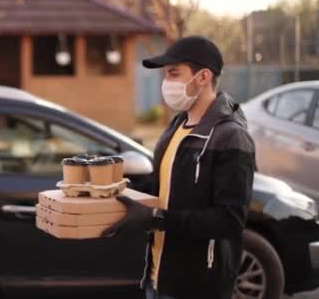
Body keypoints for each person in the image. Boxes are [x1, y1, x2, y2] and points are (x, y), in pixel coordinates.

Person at [102, 36, 256, 299]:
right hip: (157, 277)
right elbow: (166, 190)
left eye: (174, 73)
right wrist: (121, 194)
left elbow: (229, 220)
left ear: (203, 77)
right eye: (165, 75)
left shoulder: (231, 137)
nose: (166, 83)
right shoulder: (176, 127)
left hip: (199, 286)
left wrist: (157, 219)